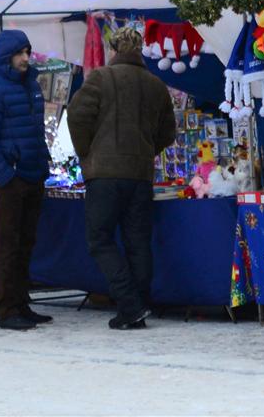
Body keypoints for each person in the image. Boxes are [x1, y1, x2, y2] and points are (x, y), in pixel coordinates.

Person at [67, 26, 176, 330]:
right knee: (138, 242)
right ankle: (139, 305)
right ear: (140, 50)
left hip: (104, 176)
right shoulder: (156, 84)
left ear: (113, 49)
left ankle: (130, 304)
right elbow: (168, 133)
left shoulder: (100, 78)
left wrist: (88, 153)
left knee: (100, 239)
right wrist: (145, 151)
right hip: (140, 175)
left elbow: (77, 116)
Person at [0, 29, 51, 331]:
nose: (26, 58)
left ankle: (21, 302)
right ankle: (7, 309)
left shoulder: (30, 85)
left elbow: (35, 130)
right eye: (20, 53)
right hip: (8, 178)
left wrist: (42, 163)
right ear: (6, 55)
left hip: (32, 172)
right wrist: (5, 176)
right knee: (6, 244)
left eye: (28, 52)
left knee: (26, 242)